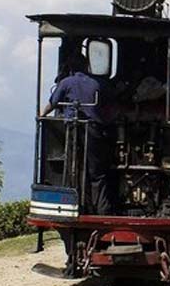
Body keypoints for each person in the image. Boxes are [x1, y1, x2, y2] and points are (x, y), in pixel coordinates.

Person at [41, 52, 117, 215]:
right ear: (86, 66)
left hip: (73, 131)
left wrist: (41, 116)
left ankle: (76, 206)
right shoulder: (98, 83)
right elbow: (110, 105)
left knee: (73, 168)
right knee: (97, 173)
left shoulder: (66, 82)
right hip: (94, 129)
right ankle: (103, 210)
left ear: (70, 67)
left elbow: (52, 103)